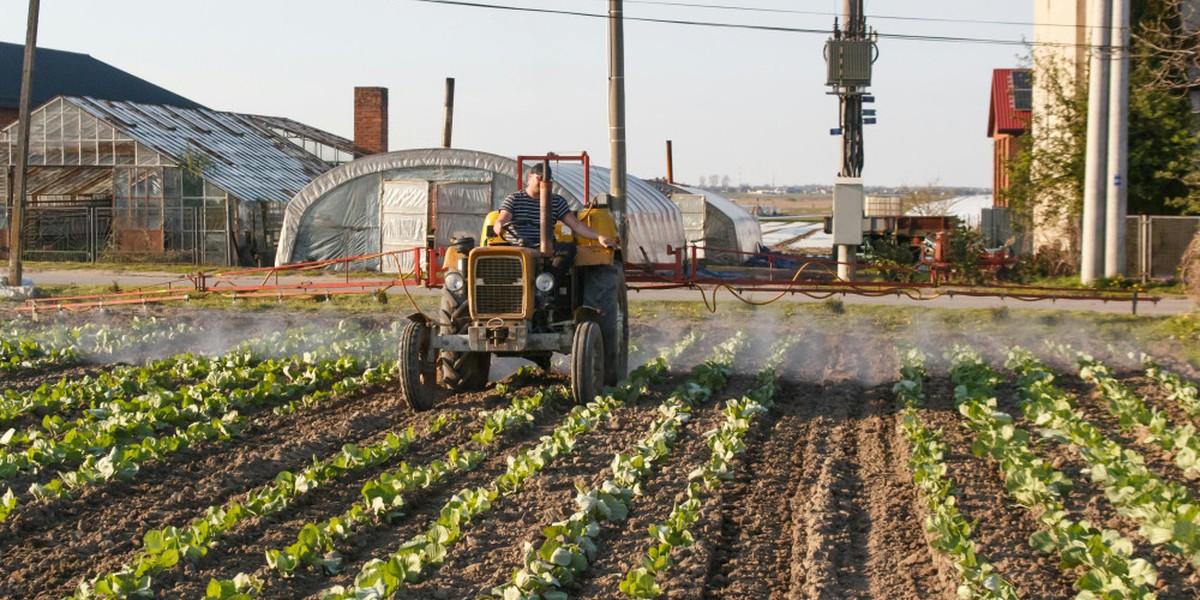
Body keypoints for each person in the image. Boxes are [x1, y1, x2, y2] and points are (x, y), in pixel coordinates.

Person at [492, 163, 615, 250]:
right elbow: (504, 217)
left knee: (569, 250)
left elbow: (576, 224)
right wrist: (499, 225)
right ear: (530, 177)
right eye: (539, 178)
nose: (541, 183)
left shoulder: (556, 202)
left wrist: (599, 236)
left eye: (546, 180)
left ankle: (549, 282)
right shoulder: (514, 199)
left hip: (544, 247)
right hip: (517, 246)